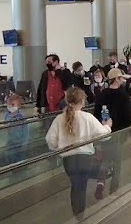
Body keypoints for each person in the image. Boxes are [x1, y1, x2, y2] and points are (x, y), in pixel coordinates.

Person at [46, 87, 112, 216]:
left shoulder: (59, 119)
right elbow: (104, 135)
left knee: (76, 186)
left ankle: (77, 214)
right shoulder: (87, 117)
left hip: (68, 161)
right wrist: (107, 126)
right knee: (80, 186)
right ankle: (79, 216)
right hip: (85, 159)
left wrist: (59, 148)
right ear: (82, 101)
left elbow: (50, 140)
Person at [3, 93, 29, 165]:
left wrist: (25, 143)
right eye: (10, 104)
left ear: (19, 106)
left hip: (20, 141)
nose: (11, 107)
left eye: (13, 105)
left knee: (21, 157)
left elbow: (26, 131)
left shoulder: (22, 116)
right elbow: (6, 124)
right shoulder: (7, 115)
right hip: (11, 141)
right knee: (10, 156)